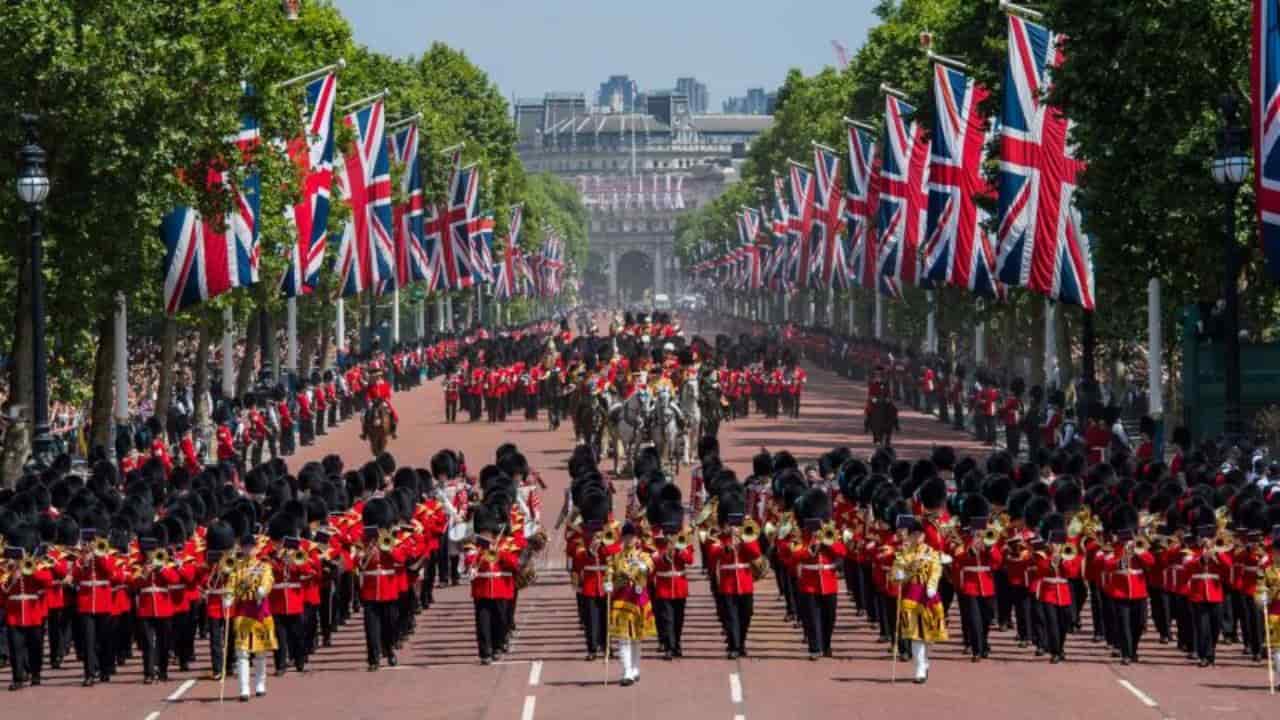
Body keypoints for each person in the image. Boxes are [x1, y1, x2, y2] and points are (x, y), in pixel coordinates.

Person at [891, 514, 946, 684]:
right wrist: (902, 574)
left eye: (920, 535)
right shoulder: (903, 553)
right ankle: (919, 666)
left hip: (928, 595)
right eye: (914, 534)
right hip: (912, 595)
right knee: (914, 634)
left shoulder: (932, 552)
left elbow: (936, 570)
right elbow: (896, 573)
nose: (917, 537)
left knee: (929, 634)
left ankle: (924, 660)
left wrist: (932, 585)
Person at [226, 533, 276, 702]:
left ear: (256, 548)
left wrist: (263, 590)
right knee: (242, 651)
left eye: (251, 547)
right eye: (245, 547)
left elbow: (268, 580)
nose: (248, 550)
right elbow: (231, 584)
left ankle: (260, 683)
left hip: (260, 609)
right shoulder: (237, 568)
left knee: (260, 651)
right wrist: (228, 596)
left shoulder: (264, 566)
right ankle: (244, 688)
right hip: (242, 610)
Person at [606, 522, 656, 686]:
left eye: (631, 537)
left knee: (636, 638)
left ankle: (635, 668)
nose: (628, 539)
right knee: (623, 637)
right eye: (626, 536)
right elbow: (610, 573)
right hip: (621, 600)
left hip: (638, 600)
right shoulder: (616, 556)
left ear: (636, 539)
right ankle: (626, 670)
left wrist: (642, 567)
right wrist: (608, 584)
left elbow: (650, 567)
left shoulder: (643, 555)